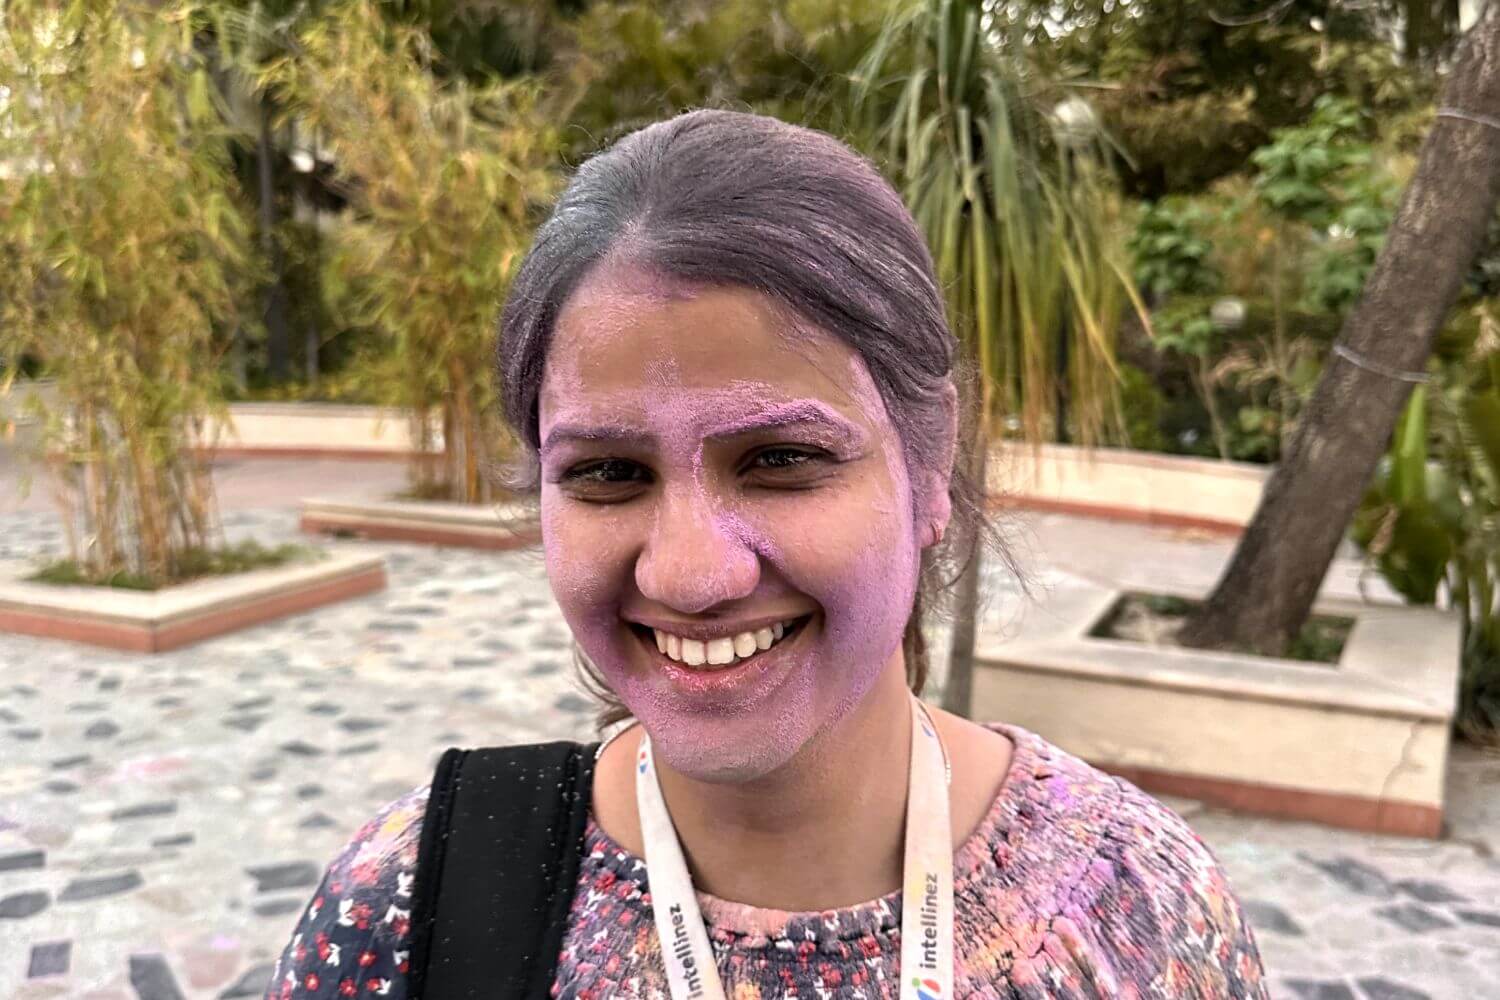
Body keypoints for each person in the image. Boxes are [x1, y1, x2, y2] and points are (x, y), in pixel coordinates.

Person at [264, 109, 1268, 999]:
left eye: (781, 459)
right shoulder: (409, 910)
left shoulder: (1138, 908)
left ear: (929, 467)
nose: (691, 575)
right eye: (608, 473)